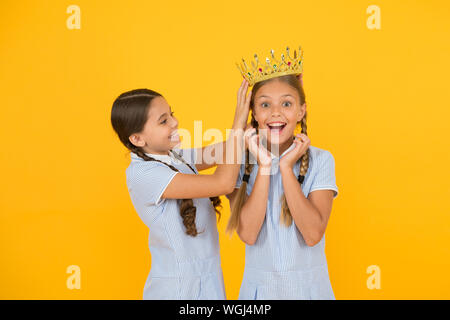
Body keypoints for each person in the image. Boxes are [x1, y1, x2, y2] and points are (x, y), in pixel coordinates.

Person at [111, 80, 251, 299]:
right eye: (163, 121)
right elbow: (222, 183)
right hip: (177, 289)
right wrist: (238, 123)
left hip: (208, 281)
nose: (175, 122)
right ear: (137, 138)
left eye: (171, 114)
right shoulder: (143, 174)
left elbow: (219, 151)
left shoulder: (173, 157)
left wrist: (256, 127)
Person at [227, 47, 339, 299]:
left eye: (286, 103)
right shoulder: (241, 162)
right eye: (265, 104)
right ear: (254, 114)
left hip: (311, 291)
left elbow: (312, 234)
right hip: (259, 295)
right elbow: (248, 233)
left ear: (301, 111)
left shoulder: (322, 160)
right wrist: (265, 166)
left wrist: (286, 168)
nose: (276, 112)